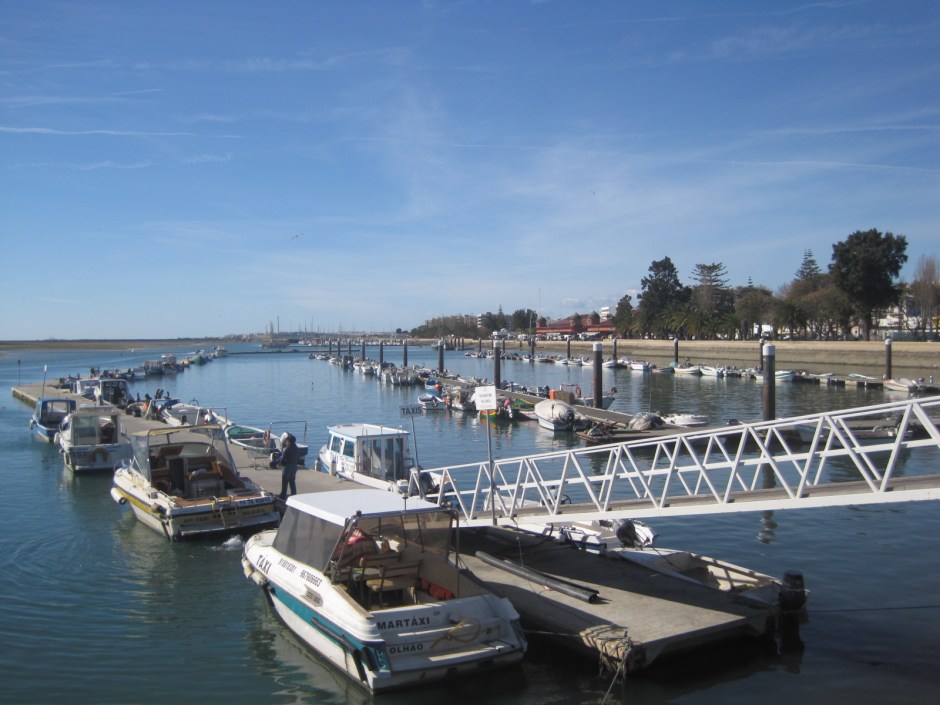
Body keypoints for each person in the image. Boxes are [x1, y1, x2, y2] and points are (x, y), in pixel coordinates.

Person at [276, 433, 300, 500]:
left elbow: (283, 458)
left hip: (287, 467)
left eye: (287, 441)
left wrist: (279, 464)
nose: (286, 442)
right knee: (292, 482)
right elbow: (298, 458)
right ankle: (294, 496)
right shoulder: (297, 448)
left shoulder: (287, 449)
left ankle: (283, 496)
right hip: (294, 467)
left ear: (289, 441)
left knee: (285, 482)